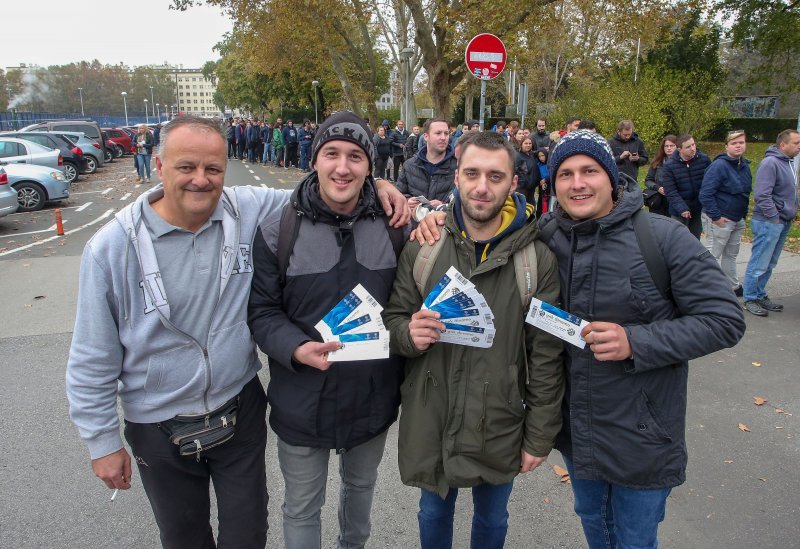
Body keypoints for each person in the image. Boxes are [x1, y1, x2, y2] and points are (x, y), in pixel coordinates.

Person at [65, 116, 409, 549]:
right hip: (159, 421)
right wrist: (101, 441)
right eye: (186, 166)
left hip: (238, 408)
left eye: (212, 169)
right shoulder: (111, 249)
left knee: (248, 535)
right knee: (185, 536)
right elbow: (92, 356)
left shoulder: (243, 209)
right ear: (157, 164)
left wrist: (380, 186)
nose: (200, 180)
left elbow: (332, 189)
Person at [538, 130, 745, 548]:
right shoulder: (547, 236)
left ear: (611, 177)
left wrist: (636, 341)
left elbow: (725, 319)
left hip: (643, 434)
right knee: (595, 526)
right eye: (566, 173)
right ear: (554, 184)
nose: (577, 183)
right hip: (578, 431)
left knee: (633, 538)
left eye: (589, 171)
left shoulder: (663, 237)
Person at [384, 130, 565, 549]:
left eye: (494, 176)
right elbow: (393, 320)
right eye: (472, 174)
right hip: (433, 412)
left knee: (491, 518)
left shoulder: (535, 259)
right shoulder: (424, 245)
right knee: (432, 513)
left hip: (500, 416)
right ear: (457, 177)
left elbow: (546, 355)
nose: (482, 187)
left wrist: (539, 434)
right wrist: (409, 334)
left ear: (512, 183)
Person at [247, 111, 404, 549]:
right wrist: (296, 349)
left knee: (360, 493)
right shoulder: (279, 229)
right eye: (331, 153)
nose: (343, 167)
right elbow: (261, 312)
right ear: (314, 159)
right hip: (302, 400)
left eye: (356, 156)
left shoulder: (396, 228)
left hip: (371, 398)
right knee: (301, 507)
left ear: (370, 166)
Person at [741, 129, 800, 316]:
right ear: (783, 145)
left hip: (783, 221)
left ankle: (760, 294)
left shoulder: (788, 163)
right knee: (759, 261)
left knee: (770, 262)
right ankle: (750, 298)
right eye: (796, 143)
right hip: (769, 222)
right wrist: (774, 217)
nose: (799, 146)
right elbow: (762, 195)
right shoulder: (770, 163)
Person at [699, 130, 751, 297]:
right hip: (720, 219)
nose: (738, 146)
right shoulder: (719, 166)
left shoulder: (744, 164)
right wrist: (716, 217)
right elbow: (705, 194)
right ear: (726, 146)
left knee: (731, 255)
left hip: (737, 219)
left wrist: (742, 215)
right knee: (712, 256)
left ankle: (733, 286)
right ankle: (705, 290)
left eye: (741, 143)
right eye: (734, 143)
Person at [395, 118, 457, 211]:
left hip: (444, 223)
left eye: (446, 133)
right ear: (426, 136)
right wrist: (407, 201)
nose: (443, 137)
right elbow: (399, 195)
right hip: (415, 223)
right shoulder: (409, 165)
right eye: (438, 133)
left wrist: (444, 206)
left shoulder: (459, 166)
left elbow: (466, 202)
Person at [661, 134, 711, 239]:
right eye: (688, 147)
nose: (693, 149)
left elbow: (710, 182)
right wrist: (682, 208)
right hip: (679, 210)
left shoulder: (704, 160)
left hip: (698, 208)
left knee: (695, 240)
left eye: (693, 144)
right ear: (679, 149)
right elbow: (670, 190)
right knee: (678, 240)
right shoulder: (669, 166)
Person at [644, 135, 677, 217]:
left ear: (677, 147)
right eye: (666, 146)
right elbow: (648, 180)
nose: (669, 148)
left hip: (675, 200)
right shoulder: (657, 162)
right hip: (659, 201)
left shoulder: (682, 162)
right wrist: (658, 188)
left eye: (672, 146)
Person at [515, 135, 537, 205]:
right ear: (521, 144)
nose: (528, 145)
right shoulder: (518, 156)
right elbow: (516, 171)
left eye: (530, 143)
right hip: (522, 189)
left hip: (531, 189)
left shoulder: (531, 155)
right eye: (526, 143)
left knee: (531, 209)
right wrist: (523, 183)